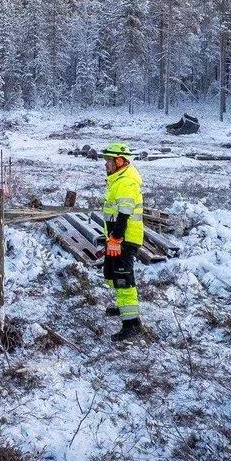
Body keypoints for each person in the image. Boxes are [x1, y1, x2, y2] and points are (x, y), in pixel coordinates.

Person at [100, 142, 145, 341]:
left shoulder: (126, 182)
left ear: (120, 161)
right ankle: (123, 308)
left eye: (109, 161)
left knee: (123, 279)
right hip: (117, 238)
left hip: (124, 239)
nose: (106, 164)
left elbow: (124, 214)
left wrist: (116, 238)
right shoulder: (118, 179)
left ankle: (132, 324)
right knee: (112, 274)